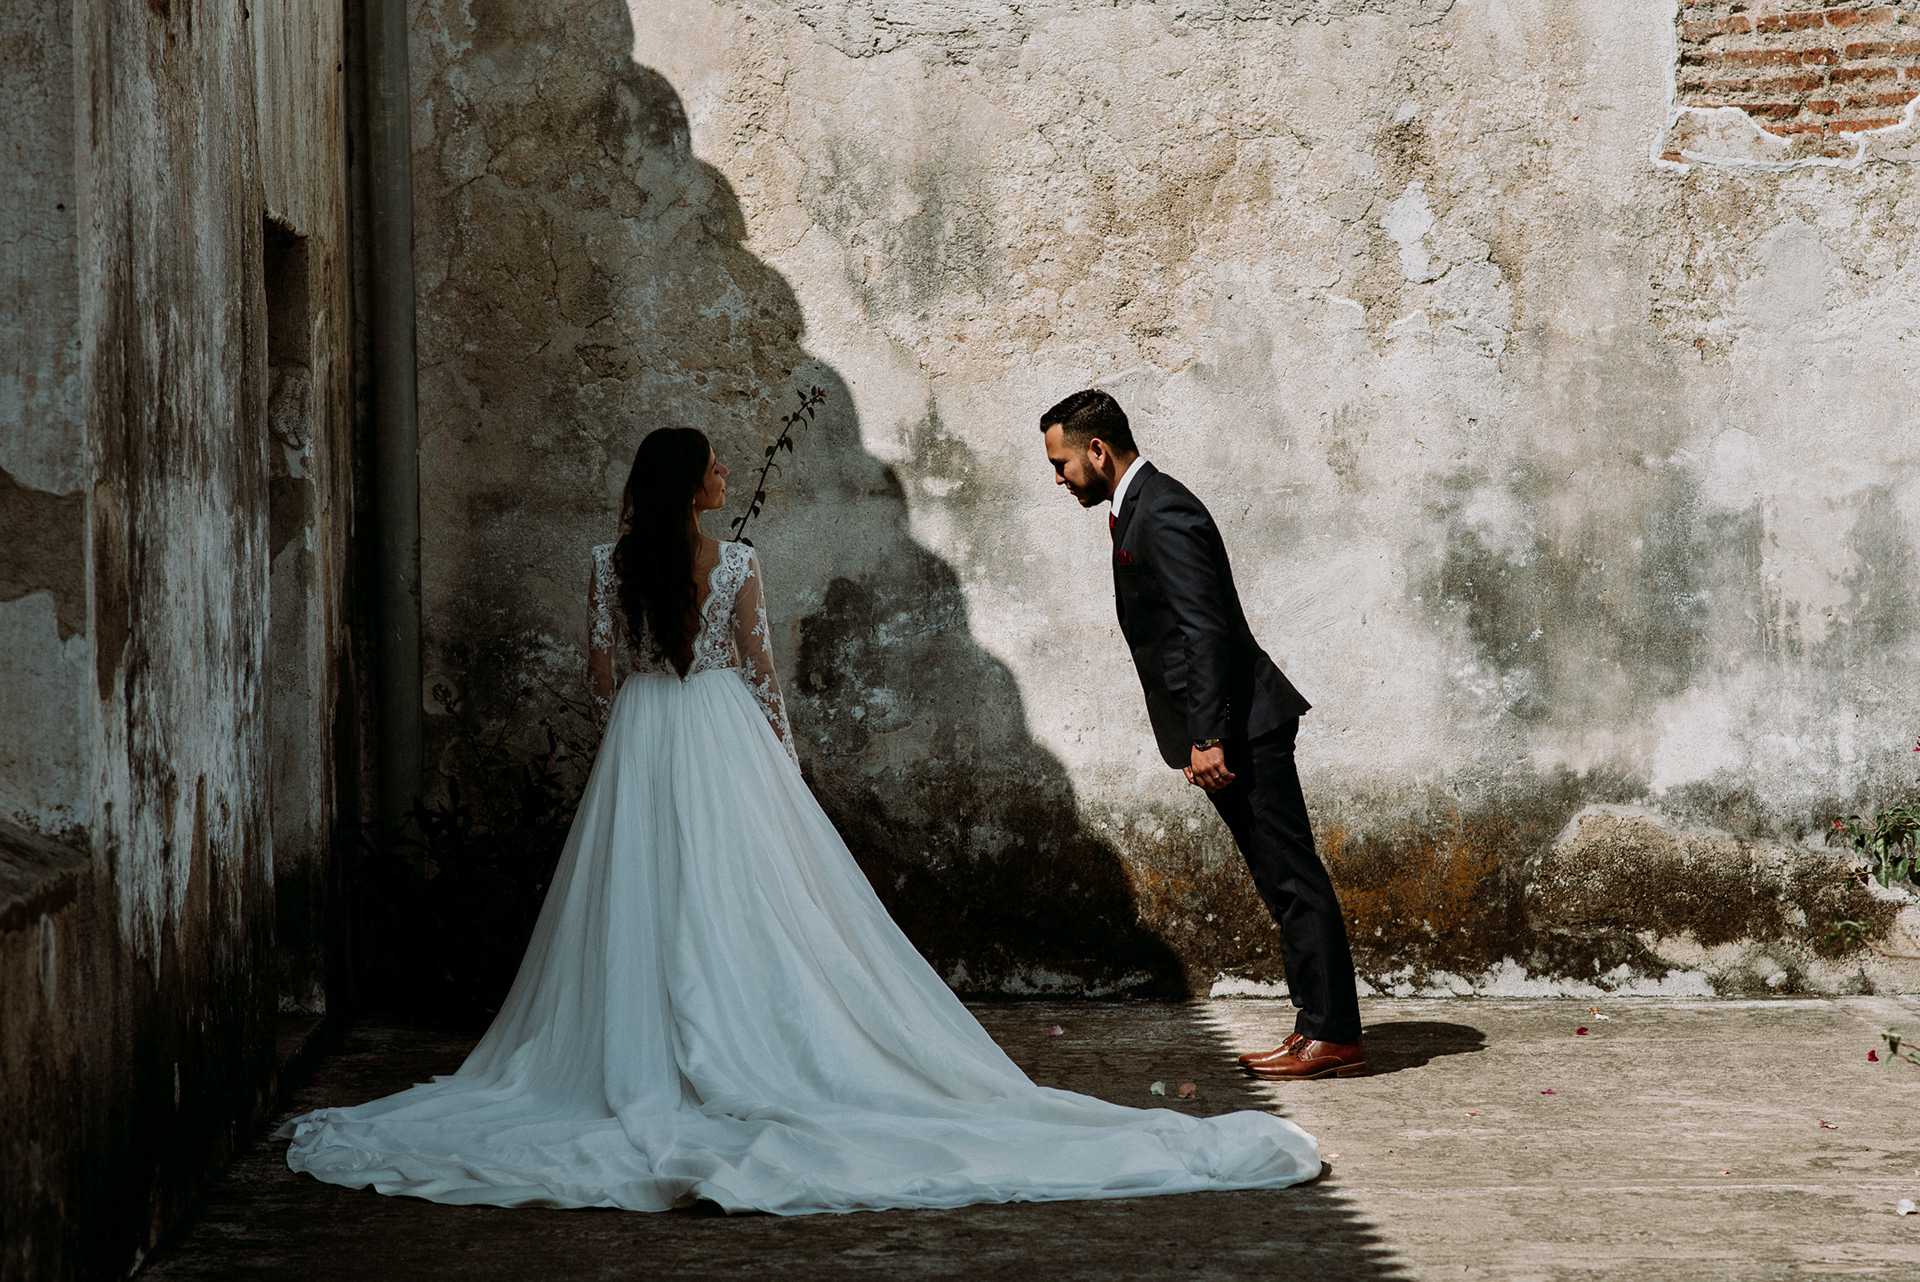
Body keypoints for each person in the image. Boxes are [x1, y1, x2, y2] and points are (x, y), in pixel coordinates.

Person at [277, 425, 1321, 1213]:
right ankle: (748, 1038)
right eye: (716, 468)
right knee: (755, 898)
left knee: (638, 900)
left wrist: (650, 703)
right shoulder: (735, 562)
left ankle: (650, 1056)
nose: (726, 476)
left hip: (645, 737)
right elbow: (767, 680)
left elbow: (602, 677)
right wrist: (776, 767)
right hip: (725, 732)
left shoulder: (606, 564)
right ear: (693, 486)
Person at [1039, 390, 1365, 1081]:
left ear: (1097, 451)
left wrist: (1209, 736)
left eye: (1062, 462)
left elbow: (1205, 628)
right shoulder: (1140, 510)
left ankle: (1331, 1033)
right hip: (1230, 725)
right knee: (1282, 880)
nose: (1058, 478)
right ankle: (1318, 1026)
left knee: (1292, 878)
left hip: (1244, 727)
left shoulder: (1164, 511)